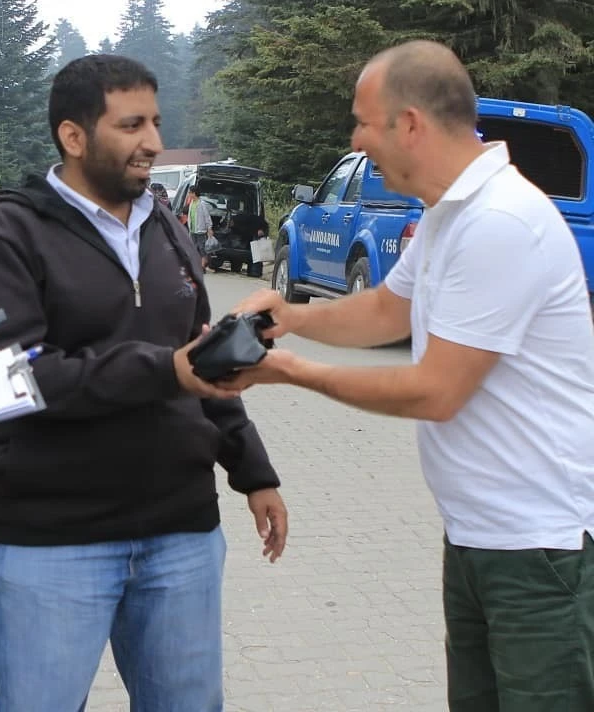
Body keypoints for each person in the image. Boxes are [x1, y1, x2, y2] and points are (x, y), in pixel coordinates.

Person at [228, 40, 594, 712]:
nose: (356, 141)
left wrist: (291, 372)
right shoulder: (448, 214)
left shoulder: (500, 221)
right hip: (479, 537)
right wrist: (291, 317)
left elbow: (436, 391)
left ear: (411, 124)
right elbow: (386, 310)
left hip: (538, 552)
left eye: (363, 123)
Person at [0, 54, 287, 712]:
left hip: (180, 531)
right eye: (131, 125)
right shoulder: (9, 231)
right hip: (51, 536)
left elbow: (202, 358)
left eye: (156, 123)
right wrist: (163, 370)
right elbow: (17, 374)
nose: (154, 142)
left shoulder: (165, 226)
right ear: (73, 136)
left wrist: (254, 473)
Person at [186, 184, 214, 271]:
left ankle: (202, 266)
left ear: (194, 193)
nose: (189, 194)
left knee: (202, 248)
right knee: (193, 248)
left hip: (200, 230)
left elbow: (207, 216)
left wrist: (209, 228)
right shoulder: (191, 203)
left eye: (190, 192)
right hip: (193, 230)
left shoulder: (202, 204)